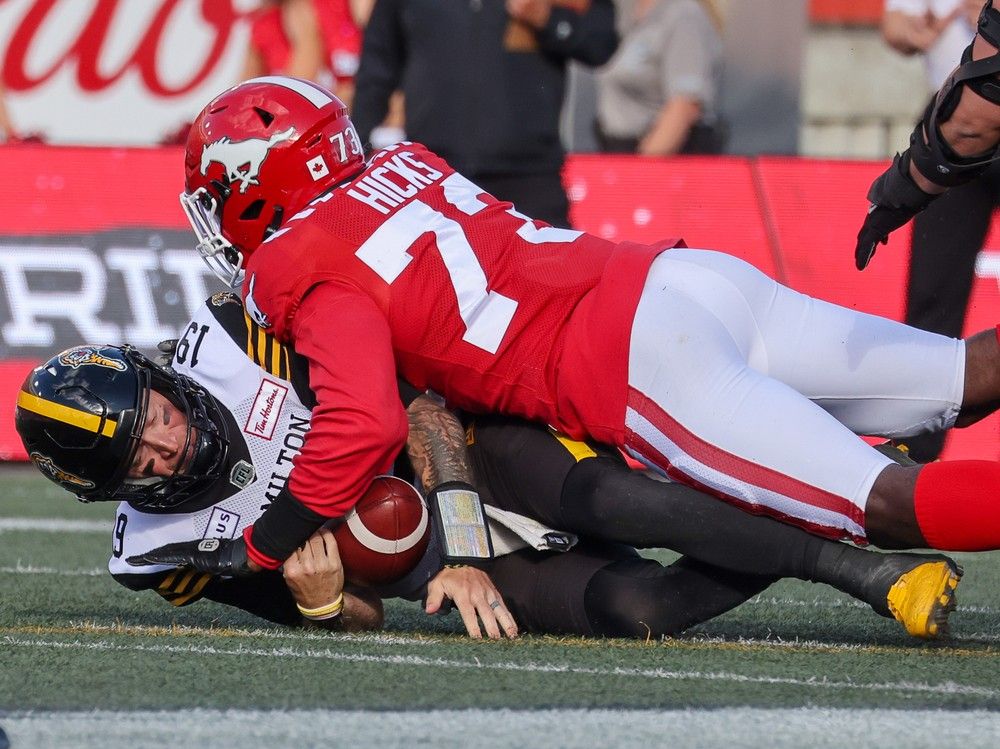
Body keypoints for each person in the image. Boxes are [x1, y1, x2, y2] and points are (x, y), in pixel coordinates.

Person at [167, 76, 1000, 602]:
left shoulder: (294, 261)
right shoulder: (403, 163)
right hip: (686, 279)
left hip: (637, 361)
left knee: (887, 505)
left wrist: (262, 542)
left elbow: (364, 423)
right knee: (966, 376)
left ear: (252, 186)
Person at [13, 294, 966, 639]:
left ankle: (868, 567)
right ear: (110, 490)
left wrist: (463, 540)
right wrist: (313, 601)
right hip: (427, 568)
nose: (169, 443)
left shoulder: (235, 336)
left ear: (156, 377)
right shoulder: (159, 553)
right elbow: (361, 611)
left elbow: (422, 403)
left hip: (468, 451)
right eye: (140, 458)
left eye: (159, 415)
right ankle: (822, 488)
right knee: (641, 611)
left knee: (619, 496)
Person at [350, 0, 618, 227]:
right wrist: (355, 158)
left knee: (549, 281)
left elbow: (601, 43)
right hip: (436, 177)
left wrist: (546, 18)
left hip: (528, 177)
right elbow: (376, 71)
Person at [881, 0, 992, 462]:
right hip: (953, 113)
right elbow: (895, 26)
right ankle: (913, 450)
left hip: (971, 112)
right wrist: (914, 32)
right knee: (932, 293)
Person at [856, 1, 1000, 270]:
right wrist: (914, 33)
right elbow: (896, 22)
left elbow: (972, 124)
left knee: (936, 295)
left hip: (962, 125)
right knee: (937, 287)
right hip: (958, 119)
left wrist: (903, 192)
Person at [595, 0, 725, 155]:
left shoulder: (683, 15)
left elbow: (685, 105)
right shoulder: (629, 14)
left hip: (661, 155)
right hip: (617, 150)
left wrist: (641, 171)